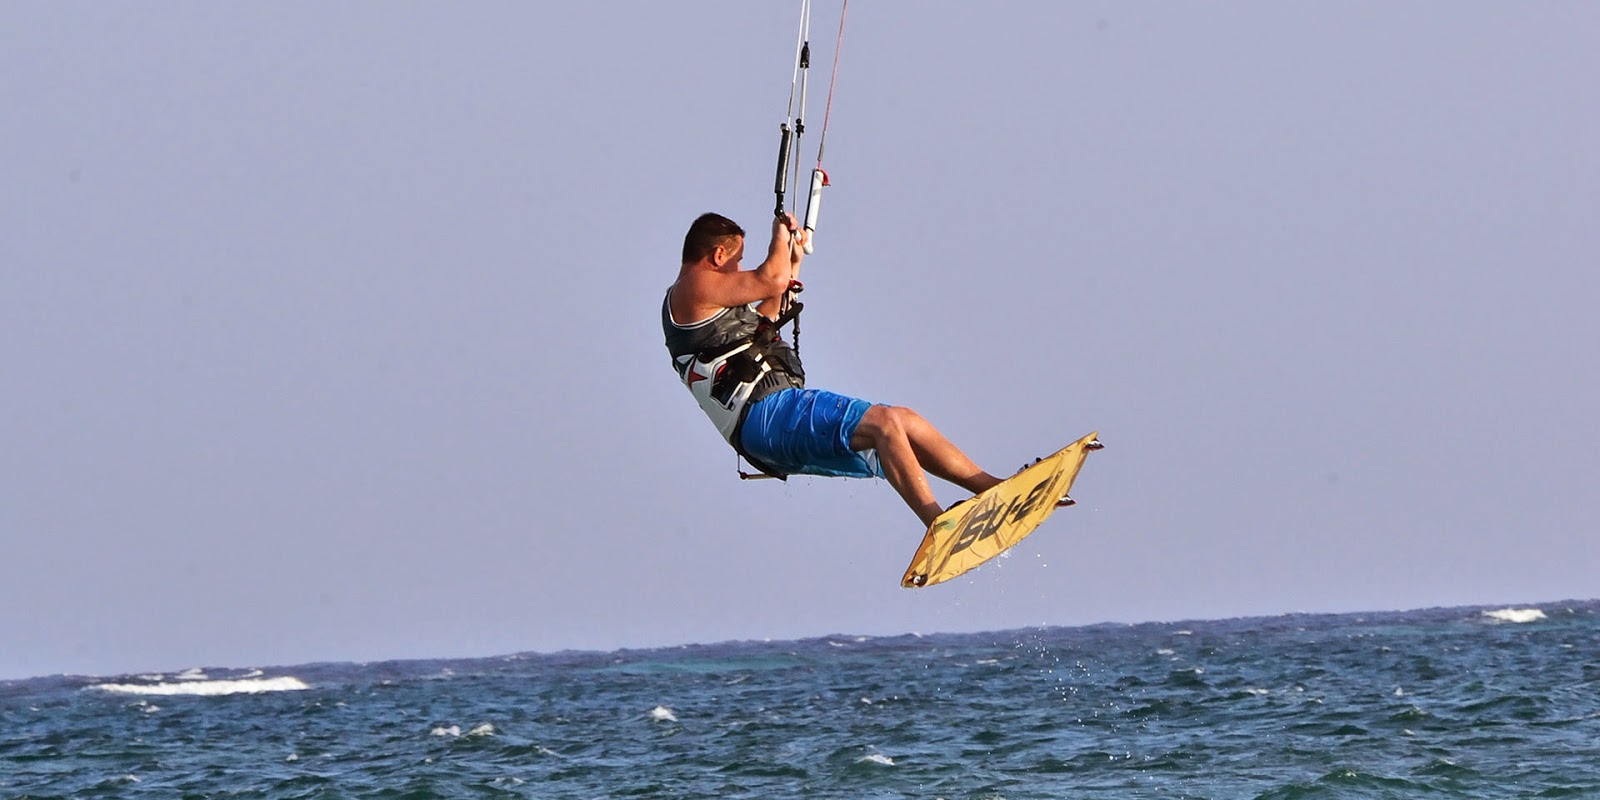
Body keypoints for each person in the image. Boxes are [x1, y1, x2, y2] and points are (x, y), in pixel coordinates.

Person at [663, 211, 1005, 529]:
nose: (739, 270)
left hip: (767, 428)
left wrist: (792, 263)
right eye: (737, 261)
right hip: (766, 415)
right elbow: (772, 280)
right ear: (719, 256)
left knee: (903, 421)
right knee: (882, 423)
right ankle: (938, 523)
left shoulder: (706, 312)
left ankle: (991, 489)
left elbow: (767, 316)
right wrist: (779, 237)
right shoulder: (693, 286)